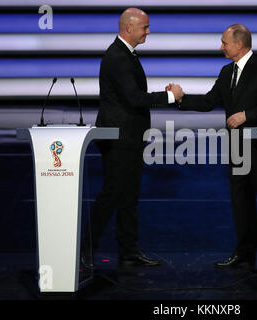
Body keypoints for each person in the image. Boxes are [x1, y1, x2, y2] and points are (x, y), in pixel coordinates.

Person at [170, 24, 257, 269]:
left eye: (224, 42)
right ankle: (245, 253)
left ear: (239, 44)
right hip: (237, 148)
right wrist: (181, 99)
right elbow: (210, 101)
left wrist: (247, 115)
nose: (221, 46)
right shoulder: (226, 72)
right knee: (240, 202)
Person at [84, 8, 184, 268]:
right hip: (118, 138)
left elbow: (133, 95)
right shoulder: (117, 57)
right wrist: (170, 97)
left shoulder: (125, 54)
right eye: (145, 27)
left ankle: (128, 250)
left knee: (128, 196)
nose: (148, 31)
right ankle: (84, 248)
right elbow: (134, 98)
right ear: (129, 28)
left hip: (128, 137)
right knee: (113, 194)